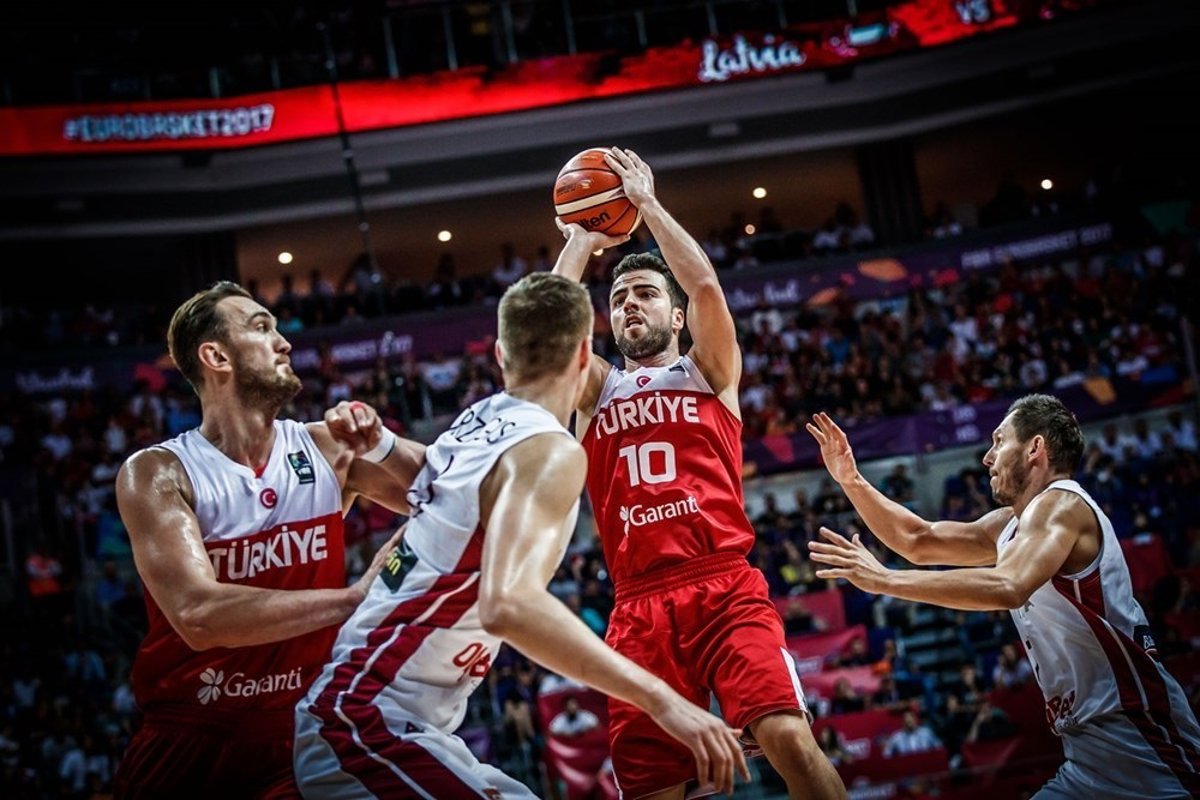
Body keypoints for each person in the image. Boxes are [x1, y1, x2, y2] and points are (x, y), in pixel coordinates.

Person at [294, 273, 748, 798]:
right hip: (366, 722)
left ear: (500, 355)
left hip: (387, 718)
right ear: (585, 356)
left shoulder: (479, 420)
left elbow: (428, 480)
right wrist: (663, 701)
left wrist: (382, 445)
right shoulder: (548, 451)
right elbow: (507, 605)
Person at [553, 147, 846, 800]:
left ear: (676, 316)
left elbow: (708, 287)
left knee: (790, 741)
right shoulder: (596, 390)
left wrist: (646, 204)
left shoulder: (708, 373)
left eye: (645, 294)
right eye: (619, 299)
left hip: (722, 587)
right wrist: (579, 239)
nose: (630, 305)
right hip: (637, 606)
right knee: (653, 790)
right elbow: (551, 331)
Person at [113, 281, 425, 798]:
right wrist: (355, 598)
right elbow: (198, 614)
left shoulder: (328, 449)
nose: (284, 342)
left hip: (304, 729)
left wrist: (383, 443)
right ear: (216, 356)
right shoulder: (159, 472)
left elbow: (454, 492)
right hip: (192, 734)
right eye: (261, 328)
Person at [806, 394, 1200, 798]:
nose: (987, 457)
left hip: (1144, 742)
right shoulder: (1012, 525)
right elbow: (918, 540)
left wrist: (886, 580)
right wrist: (851, 479)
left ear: (1034, 448)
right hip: (1086, 756)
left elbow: (1009, 586)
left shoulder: (1063, 505)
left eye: (999, 441)